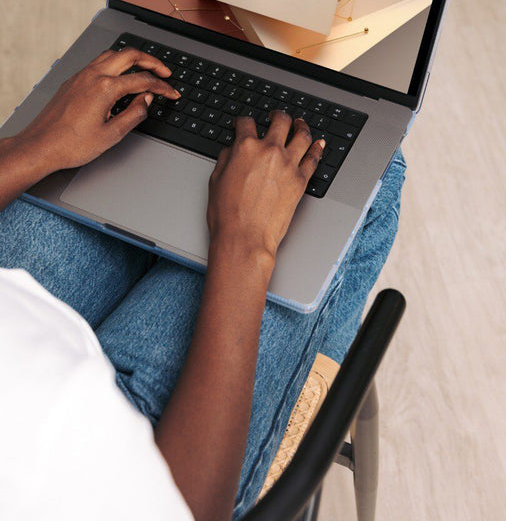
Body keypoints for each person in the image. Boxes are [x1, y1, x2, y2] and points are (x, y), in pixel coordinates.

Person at [0, 46, 406, 521]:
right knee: (369, 170)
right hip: (116, 464)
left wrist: (37, 146)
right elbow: (182, 506)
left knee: (153, 138)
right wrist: (244, 244)